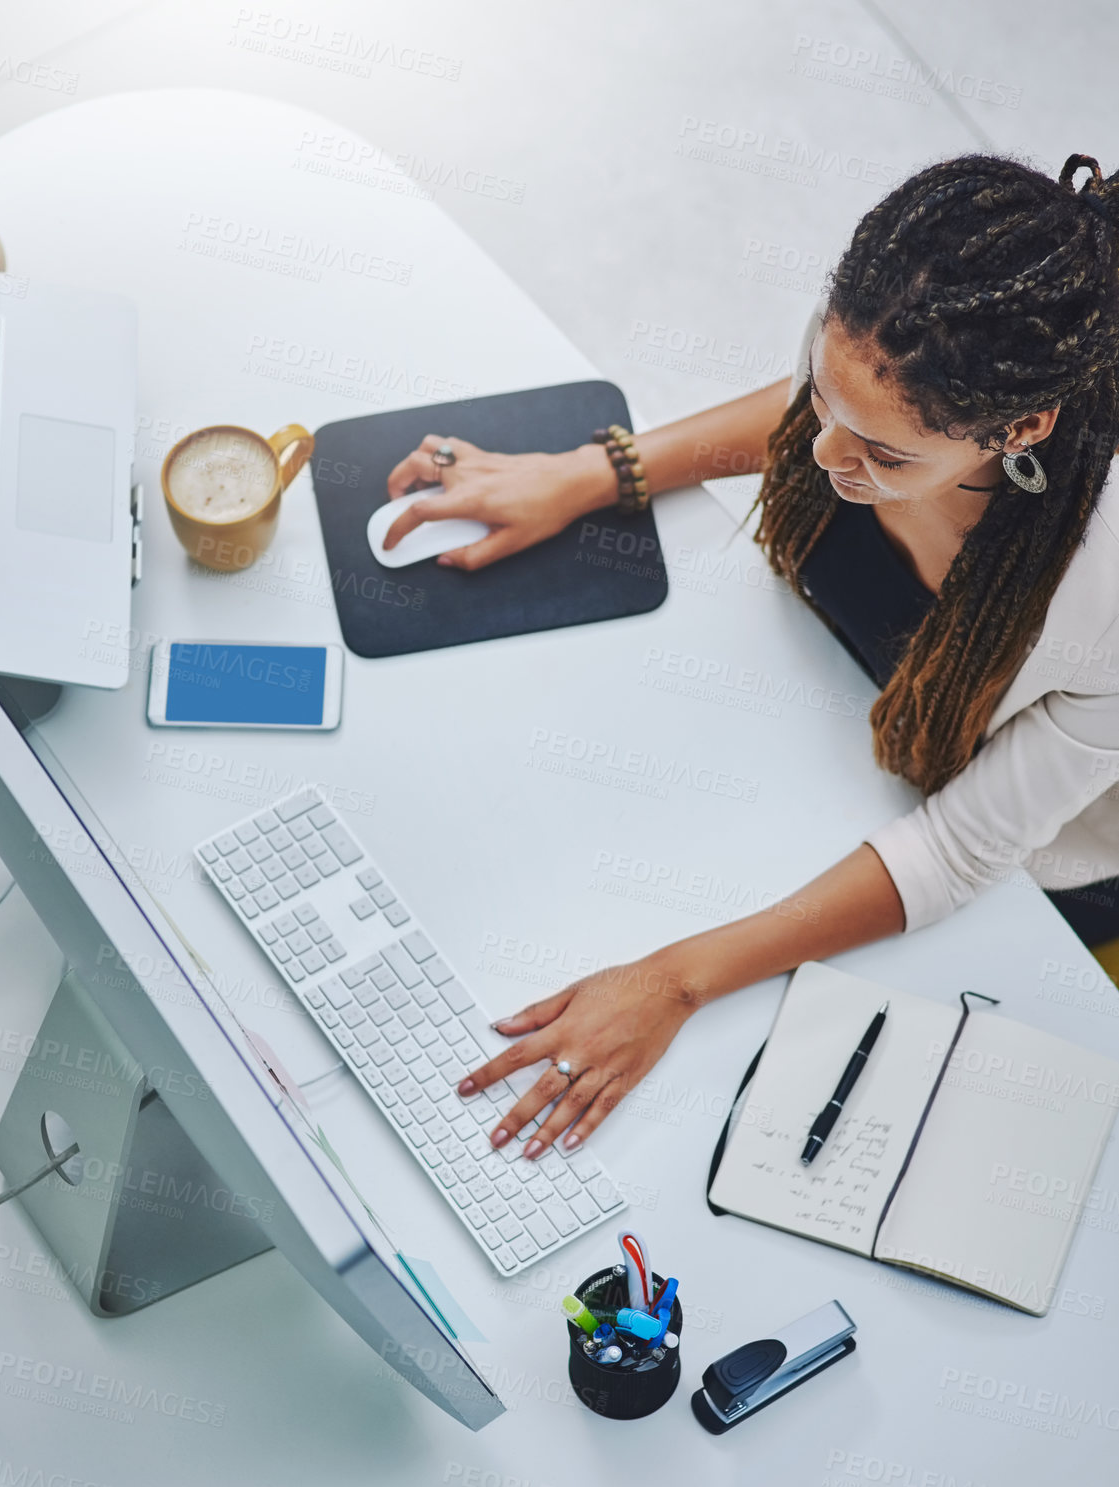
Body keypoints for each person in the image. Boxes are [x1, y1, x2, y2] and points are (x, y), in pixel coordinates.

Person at [383, 152, 1119, 1162]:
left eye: (885, 458)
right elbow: (807, 412)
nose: (820, 456)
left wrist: (675, 980)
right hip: (833, 729)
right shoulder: (880, 369)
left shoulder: (1100, 593)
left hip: (1008, 856)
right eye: (826, 396)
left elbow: (956, 849)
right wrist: (593, 473)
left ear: (1018, 431)